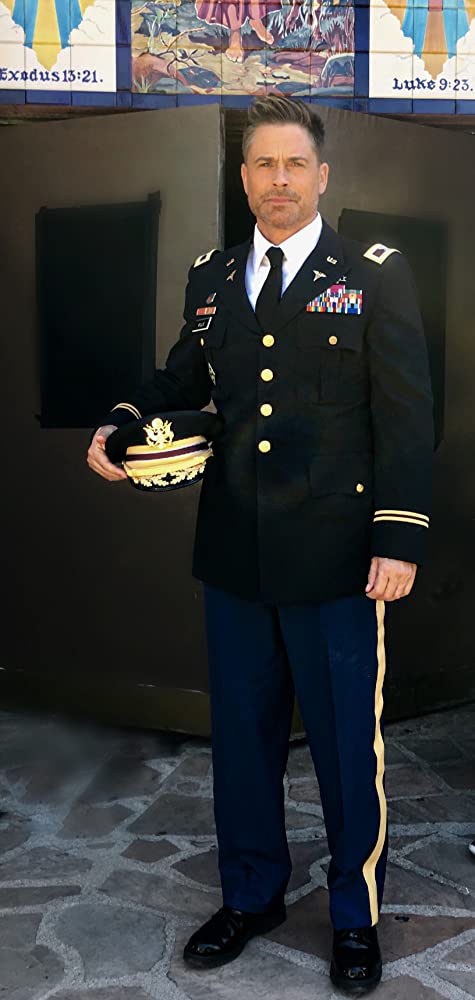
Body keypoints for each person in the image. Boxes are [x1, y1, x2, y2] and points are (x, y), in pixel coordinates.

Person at [87, 95, 434, 995]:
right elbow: (181, 375)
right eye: (263, 165)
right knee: (241, 742)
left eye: (294, 164)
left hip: (337, 559)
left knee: (345, 747)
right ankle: (251, 895)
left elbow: (405, 416)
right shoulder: (211, 277)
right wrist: (122, 424)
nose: (279, 180)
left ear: (321, 175)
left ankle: (353, 914)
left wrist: (397, 536)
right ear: (243, 179)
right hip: (235, 553)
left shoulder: (372, 272)